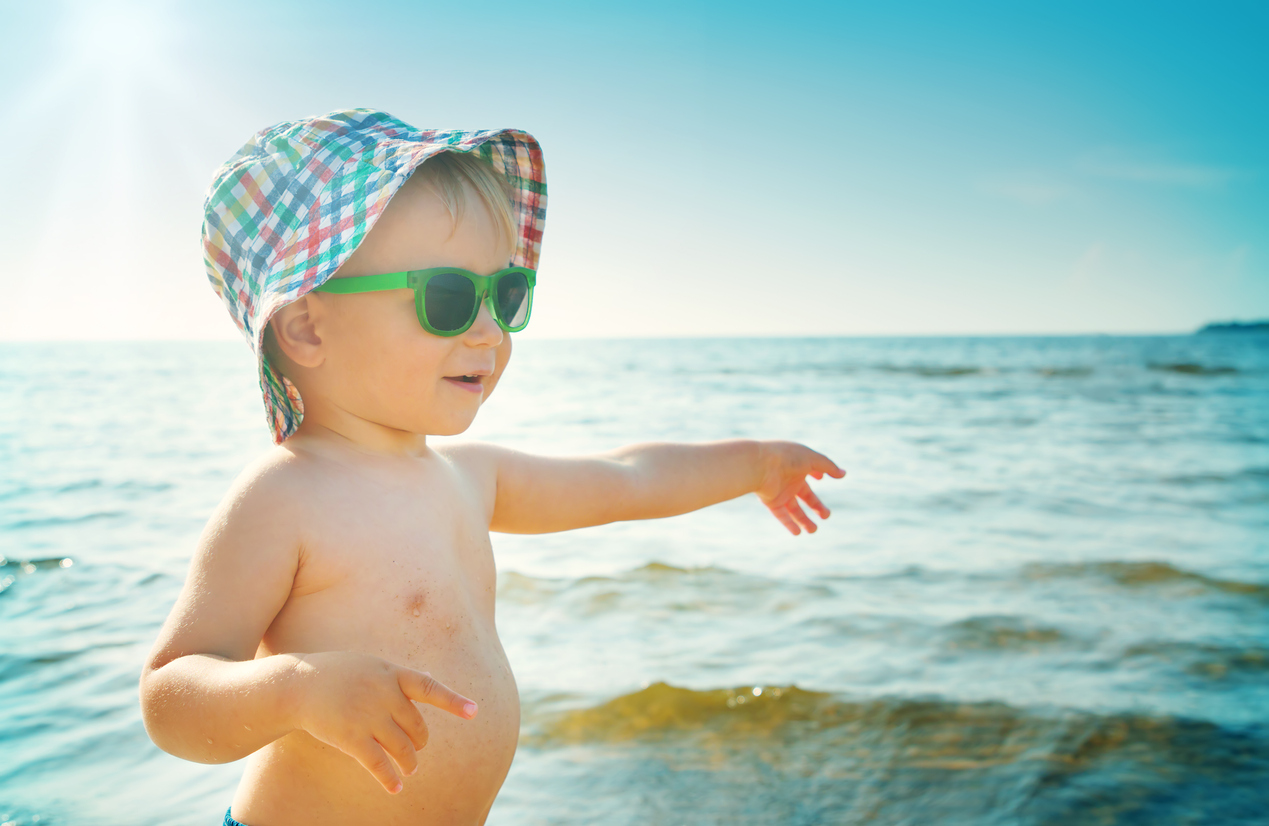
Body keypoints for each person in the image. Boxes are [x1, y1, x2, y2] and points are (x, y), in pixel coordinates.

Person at [138, 108, 846, 826]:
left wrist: (754, 463)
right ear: (307, 326)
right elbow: (170, 695)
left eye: (505, 295)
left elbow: (625, 479)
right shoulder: (283, 496)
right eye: (446, 299)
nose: (488, 331)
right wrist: (294, 689)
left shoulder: (468, 477)